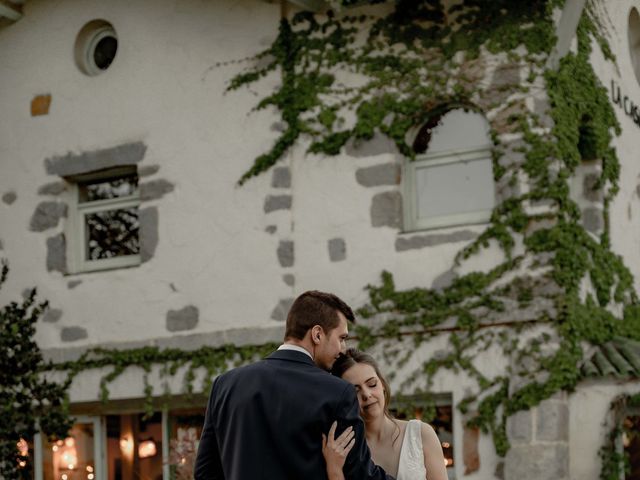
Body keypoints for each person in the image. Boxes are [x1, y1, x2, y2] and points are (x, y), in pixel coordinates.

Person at [194, 290, 394, 480]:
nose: (343, 349)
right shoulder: (337, 392)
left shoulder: (225, 385)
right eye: (341, 338)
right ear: (317, 334)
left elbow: (205, 472)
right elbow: (359, 475)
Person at [323, 349, 448, 480]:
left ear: (382, 384)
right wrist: (334, 470)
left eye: (372, 384)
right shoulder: (342, 448)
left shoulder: (421, 434)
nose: (366, 394)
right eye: (355, 391)